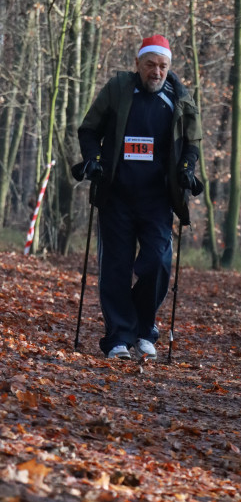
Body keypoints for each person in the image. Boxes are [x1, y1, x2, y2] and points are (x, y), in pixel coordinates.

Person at [76, 34, 202, 360]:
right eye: (150, 65)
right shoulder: (118, 90)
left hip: (157, 200)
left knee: (157, 264)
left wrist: (187, 169)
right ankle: (118, 337)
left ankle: (145, 328)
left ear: (169, 67)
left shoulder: (180, 99)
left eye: (162, 66)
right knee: (116, 267)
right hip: (116, 195)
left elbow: (192, 142)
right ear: (138, 64)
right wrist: (94, 160)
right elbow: (88, 130)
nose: (156, 72)